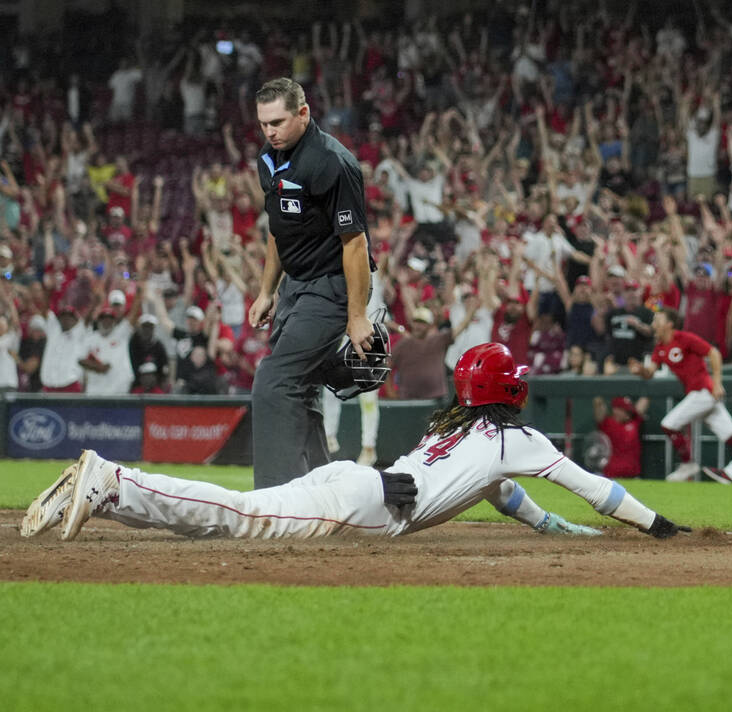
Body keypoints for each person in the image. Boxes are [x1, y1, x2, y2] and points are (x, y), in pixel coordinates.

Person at [21, 343, 691, 544]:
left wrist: (555, 529)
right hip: (369, 504)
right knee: (235, 519)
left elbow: (506, 493)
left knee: (236, 515)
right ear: (513, 391)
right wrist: (660, 527)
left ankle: (105, 496)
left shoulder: (455, 427)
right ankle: (113, 480)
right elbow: (603, 491)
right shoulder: (518, 438)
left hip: (358, 485)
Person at [248, 78, 375, 489]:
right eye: (264, 123)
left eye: (278, 121)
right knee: (299, 389)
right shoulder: (269, 160)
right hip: (294, 288)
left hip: (331, 285)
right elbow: (278, 230)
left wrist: (357, 316)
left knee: (275, 382)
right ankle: (323, 487)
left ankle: (277, 496)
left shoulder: (331, 162)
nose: (270, 131)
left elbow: (355, 243)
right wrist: (268, 290)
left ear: (303, 113)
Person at [629, 308, 732, 482]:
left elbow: (713, 352)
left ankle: (688, 463)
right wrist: (640, 370)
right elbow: (650, 372)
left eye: (658, 320)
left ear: (669, 324)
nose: (653, 324)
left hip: (704, 391)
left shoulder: (683, 338)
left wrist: (717, 383)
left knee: (668, 424)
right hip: (700, 396)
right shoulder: (659, 348)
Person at [592, 395, 648, 479]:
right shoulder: (607, 423)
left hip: (633, 476)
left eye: (629, 412)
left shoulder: (634, 422)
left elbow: (644, 400)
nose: (628, 415)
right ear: (615, 410)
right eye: (625, 411)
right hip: (611, 476)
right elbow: (597, 402)